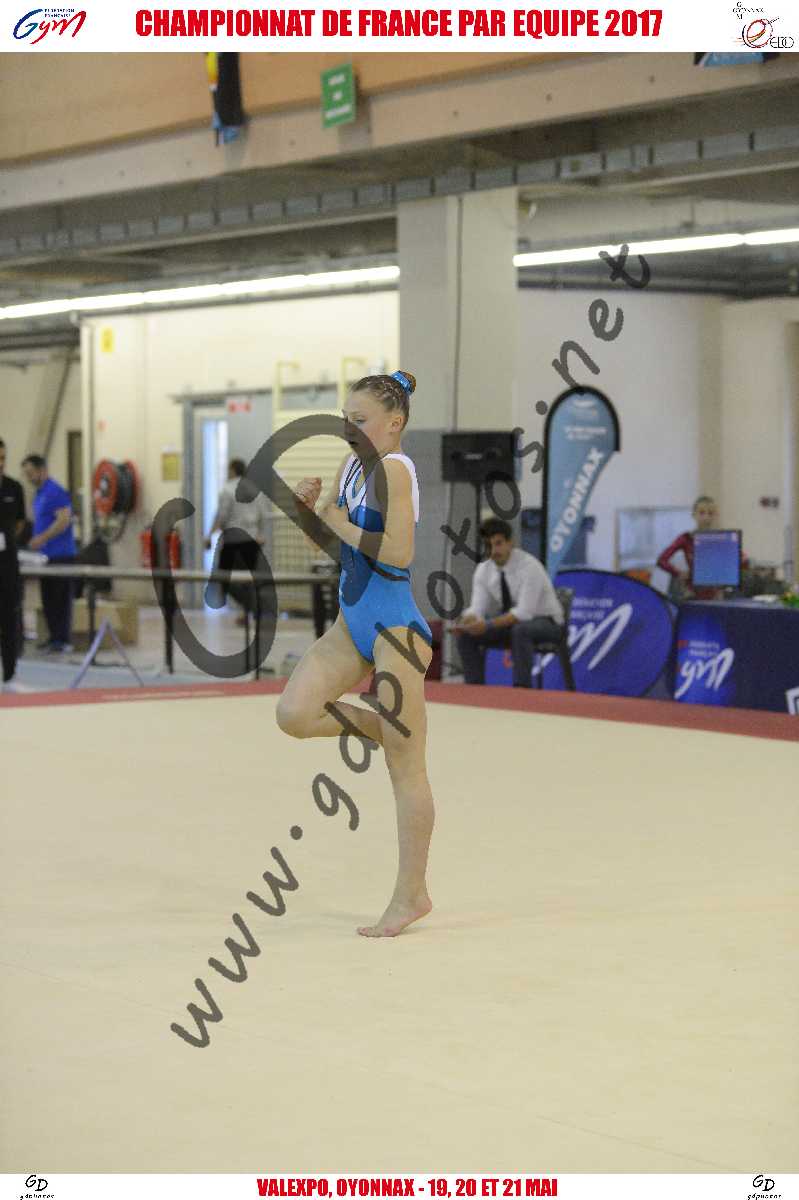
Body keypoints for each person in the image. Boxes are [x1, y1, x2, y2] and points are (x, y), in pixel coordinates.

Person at [276, 369, 435, 939]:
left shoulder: (395, 469)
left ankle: (411, 894)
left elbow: (398, 552)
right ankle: (380, 729)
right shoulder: (352, 467)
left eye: (360, 419)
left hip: (396, 630)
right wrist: (307, 512)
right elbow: (335, 546)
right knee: (294, 713)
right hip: (354, 623)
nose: (350, 428)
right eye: (346, 419)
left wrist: (338, 519)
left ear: (394, 424)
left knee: (405, 768)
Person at [453, 517, 565, 687]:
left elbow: (524, 613)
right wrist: (466, 622)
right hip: (514, 626)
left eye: (498, 544)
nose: (493, 551)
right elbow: (477, 608)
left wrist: (487, 625)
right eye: (488, 545)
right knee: (466, 636)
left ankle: (521, 690)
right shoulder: (484, 570)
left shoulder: (530, 566)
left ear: (510, 543)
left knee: (521, 630)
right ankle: (474, 690)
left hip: (549, 624)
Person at [21, 454, 77, 653]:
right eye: (26, 474)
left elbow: (64, 520)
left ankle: (63, 640)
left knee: (61, 600)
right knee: (48, 600)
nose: (28, 477)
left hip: (61, 555)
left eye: (30, 473)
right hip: (45, 557)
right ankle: (54, 637)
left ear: (42, 470)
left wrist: (42, 538)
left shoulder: (55, 491)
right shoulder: (40, 493)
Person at [204, 458, 270, 625]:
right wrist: (261, 534)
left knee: (223, 577)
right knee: (249, 579)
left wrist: (209, 535)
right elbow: (264, 515)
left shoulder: (227, 489)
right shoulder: (256, 489)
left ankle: (251, 606)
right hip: (252, 541)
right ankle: (249, 610)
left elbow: (221, 516)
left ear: (232, 470)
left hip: (233, 541)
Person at [657, 495, 748, 601]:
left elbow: (743, 561)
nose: (706, 517)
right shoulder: (686, 538)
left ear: (716, 515)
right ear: (694, 515)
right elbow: (662, 560)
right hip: (692, 593)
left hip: (717, 594)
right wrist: (678, 573)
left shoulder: (723, 538)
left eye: (710, 513)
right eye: (702, 512)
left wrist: (738, 564)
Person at [0, 439, 28, 692]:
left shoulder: (14, 488)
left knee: (9, 616)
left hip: (8, 564)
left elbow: (20, 522)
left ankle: (10, 671)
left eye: (3, 458)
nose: (0, 463)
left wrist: (7, 540)